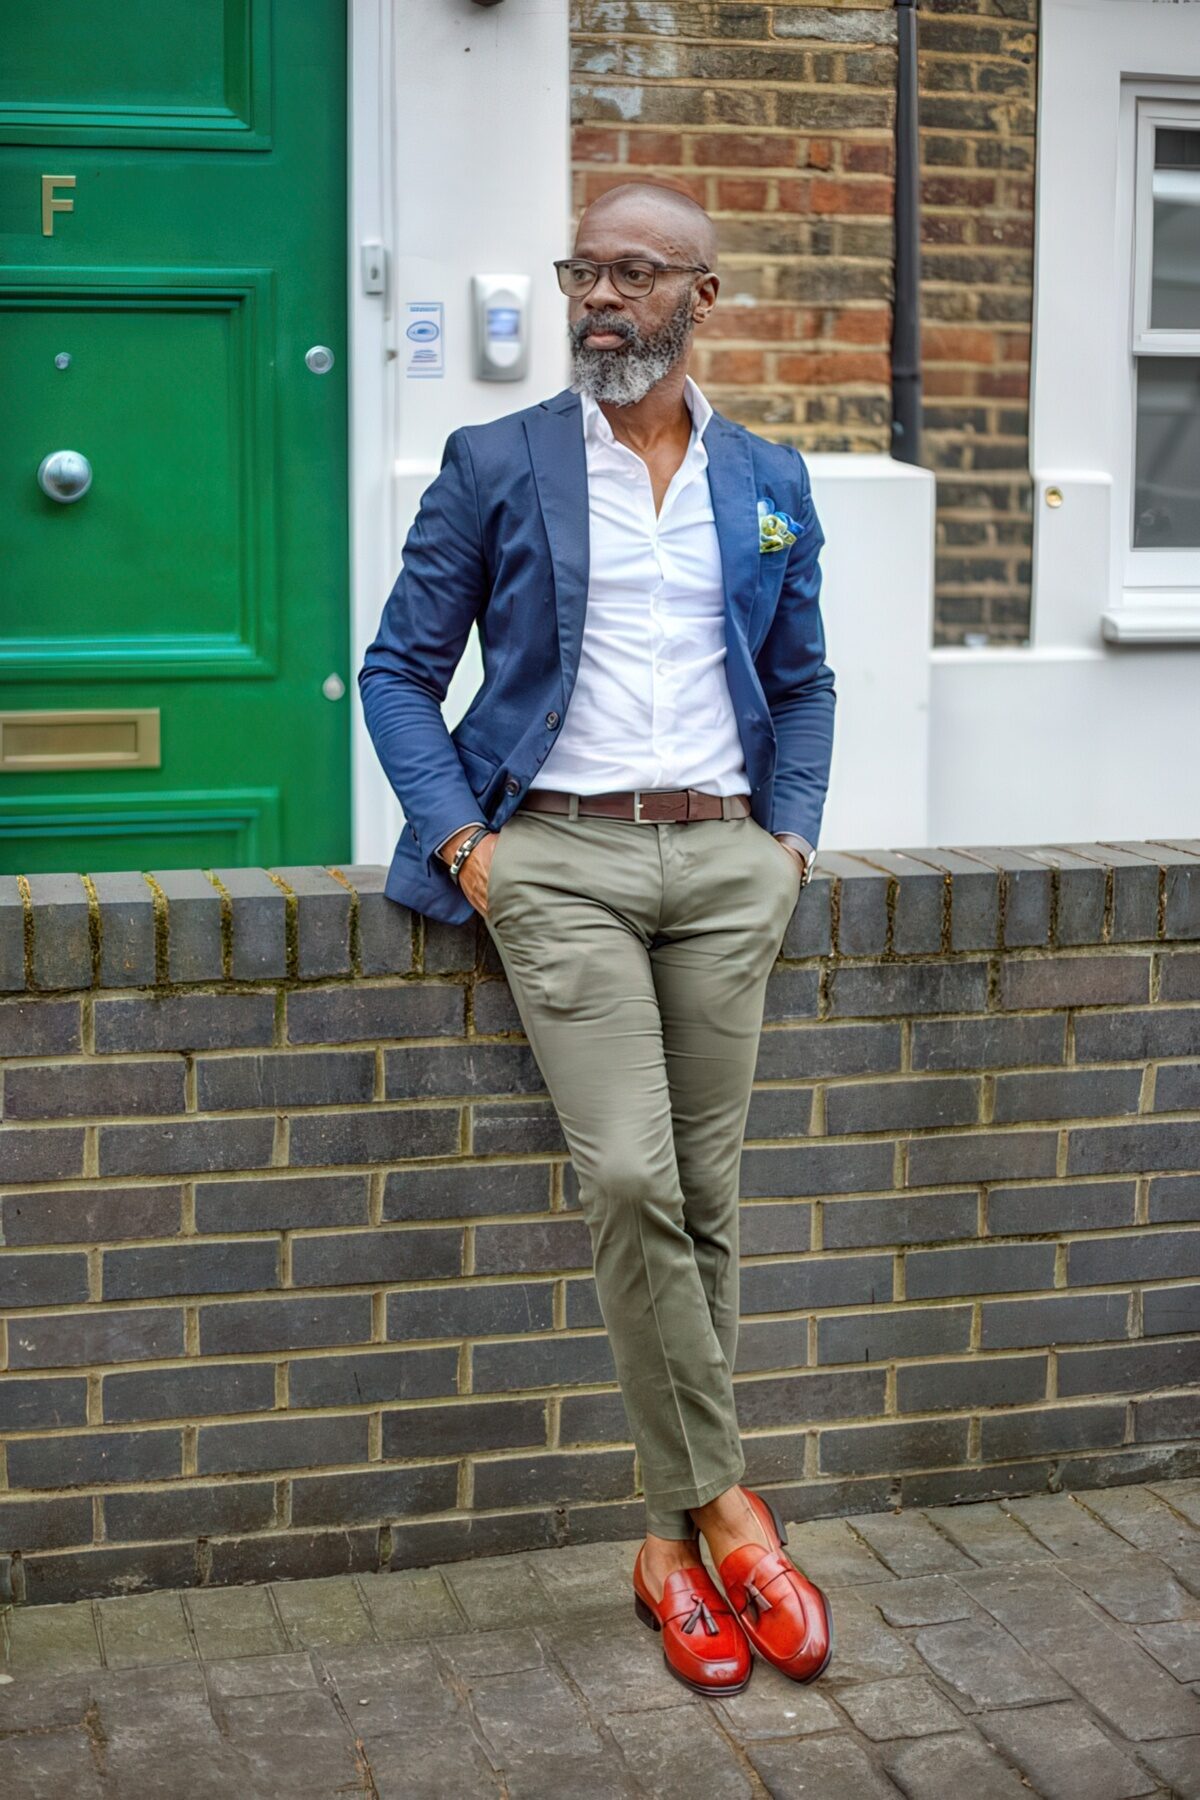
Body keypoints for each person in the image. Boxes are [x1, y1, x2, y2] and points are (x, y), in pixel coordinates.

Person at [359, 181, 836, 1696]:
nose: (601, 300)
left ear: (707, 295)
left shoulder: (768, 475)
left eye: (637, 274)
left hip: (723, 858)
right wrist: (468, 846)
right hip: (555, 854)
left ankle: (664, 1547)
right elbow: (396, 671)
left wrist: (792, 837)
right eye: (587, 272)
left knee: (704, 1195)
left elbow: (807, 676)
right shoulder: (497, 463)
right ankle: (732, 1516)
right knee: (630, 1172)